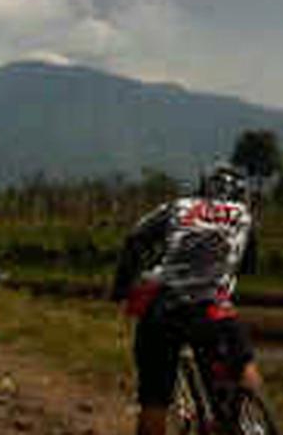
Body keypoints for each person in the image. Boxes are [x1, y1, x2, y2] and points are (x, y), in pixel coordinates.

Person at [111, 162, 261, 435]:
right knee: (242, 366)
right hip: (213, 310)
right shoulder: (244, 216)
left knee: (154, 399)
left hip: (163, 308)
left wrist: (121, 288)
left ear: (203, 189)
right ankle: (247, 418)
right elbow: (248, 265)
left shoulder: (178, 207)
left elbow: (135, 237)